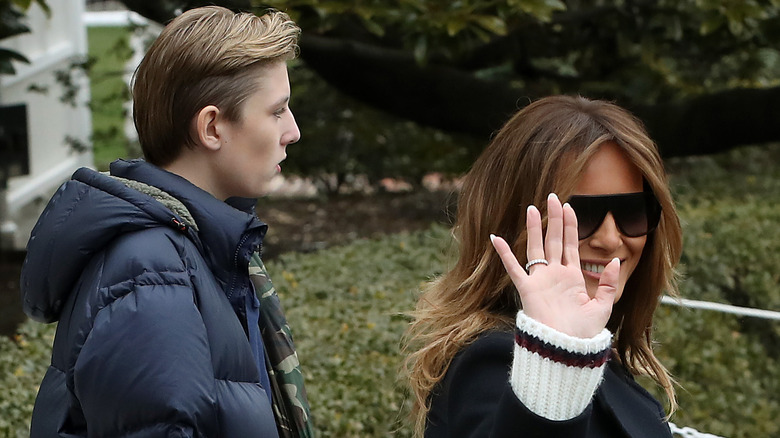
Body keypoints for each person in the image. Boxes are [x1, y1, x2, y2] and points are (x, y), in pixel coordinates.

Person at [20, 6, 314, 437]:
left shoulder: (196, 249)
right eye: (276, 111)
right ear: (212, 127)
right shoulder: (150, 273)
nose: (293, 131)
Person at [404, 95, 682, 437]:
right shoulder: (497, 361)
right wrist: (554, 363)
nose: (610, 239)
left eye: (632, 211)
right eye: (579, 215)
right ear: (511, 219)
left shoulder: (595, 346)